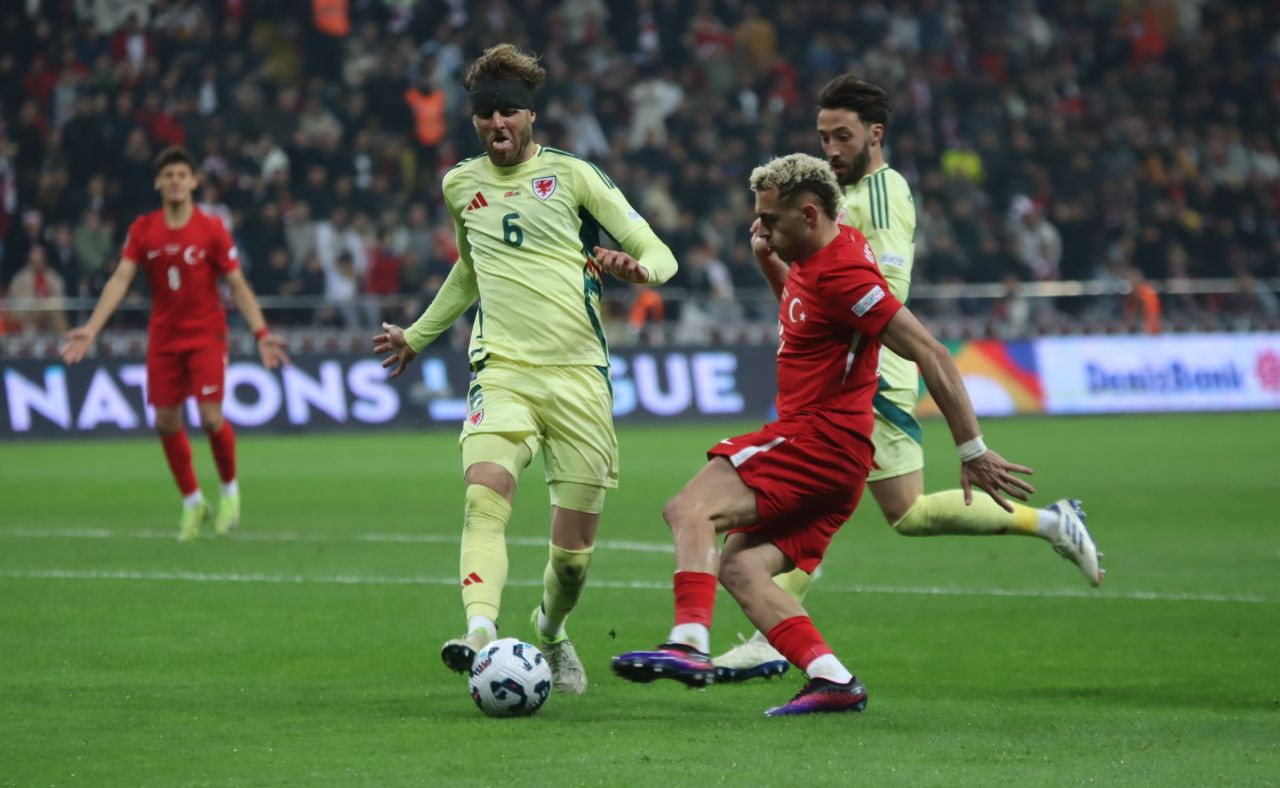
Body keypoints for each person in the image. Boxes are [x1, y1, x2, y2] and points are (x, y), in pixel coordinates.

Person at [712, 75, 1103, 682]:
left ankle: (772, 636)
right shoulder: (836, 197)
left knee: (834, 496)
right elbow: (810, 294)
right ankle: (1052, 521)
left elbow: (880, 302)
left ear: (875, 134)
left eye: (842, 137)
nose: (831, 150)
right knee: (896, 510)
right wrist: (777, 263)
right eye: (822, 138)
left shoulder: (883, 194)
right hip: (844, 365)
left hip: (869, 371)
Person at [613, 154, 1035, 716]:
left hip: (815, 441)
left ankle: (689, 641)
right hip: (838, 460)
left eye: (771, 220)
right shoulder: (826, 256)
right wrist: (769, 262)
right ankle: (832, 680)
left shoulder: (845, 274)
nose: (761, 227)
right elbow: (805, 309)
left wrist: (971, 449)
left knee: (689, 510)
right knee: (741, 568)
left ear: (809, 214)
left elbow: (930, 350)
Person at [372, 44, 678, 694]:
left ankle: (549, 631)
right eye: (485, 116)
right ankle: (479, 633)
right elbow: (470, 268)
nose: (496, 125)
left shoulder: (574, 177)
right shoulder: (461, 184)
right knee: (485, 494)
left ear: (531, 116)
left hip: (578, 379)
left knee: (570, 562)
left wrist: (639, 269)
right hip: (501, 368)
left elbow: (658, 250)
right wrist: (420, 336)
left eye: (508, 112)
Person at [60, 146, 289, 541]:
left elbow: (237, 284)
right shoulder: (144, 229)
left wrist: (262, 334)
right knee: (166, 421)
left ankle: (230, 491)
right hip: (163, 337)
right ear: (158, 182)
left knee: (211, 417)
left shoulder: (212, 229)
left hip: (205, 334)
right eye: (168, 175)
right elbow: (120, 279)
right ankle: (192, 502)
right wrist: (92, 329)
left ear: (195, 181)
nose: (175, 181)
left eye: (182, 174)